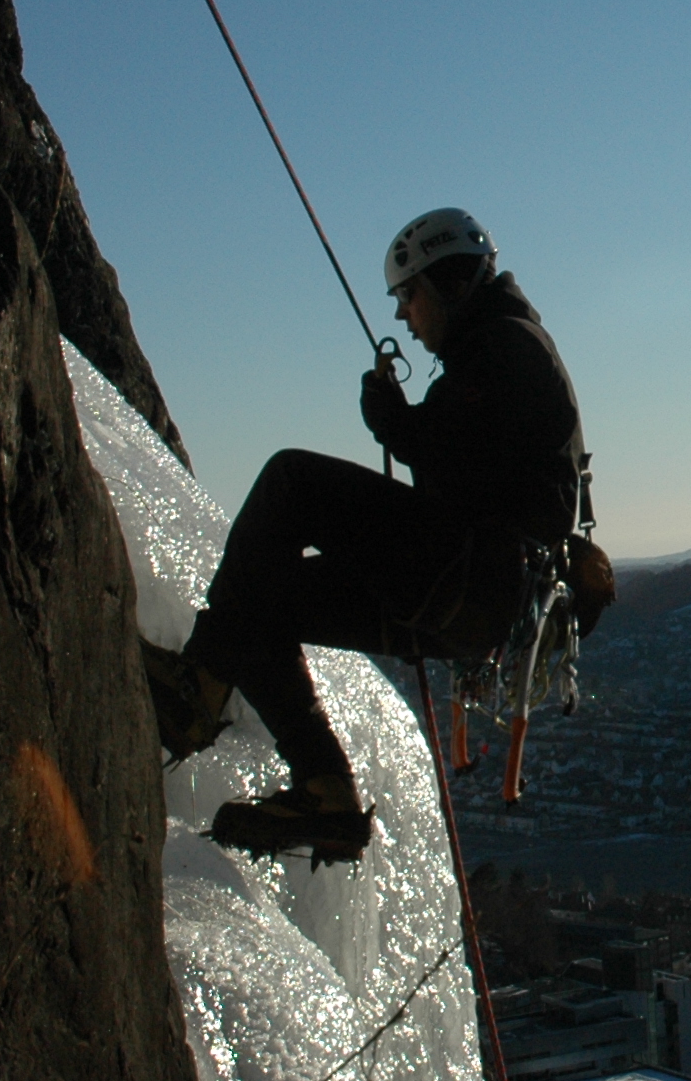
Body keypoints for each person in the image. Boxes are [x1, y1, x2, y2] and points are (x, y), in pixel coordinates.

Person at [143, 208, 592, 849]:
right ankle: (323, 787)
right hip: (480, 595)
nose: (404, 315)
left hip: (471, 570)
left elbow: (458, 459)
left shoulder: (504, 347)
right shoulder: (503, 349)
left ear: (449, 283)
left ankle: (200, 686)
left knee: (291, 482)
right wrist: (404, 425)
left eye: (410, 295)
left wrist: (393, 422)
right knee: (263, 601)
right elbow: (480, 467)